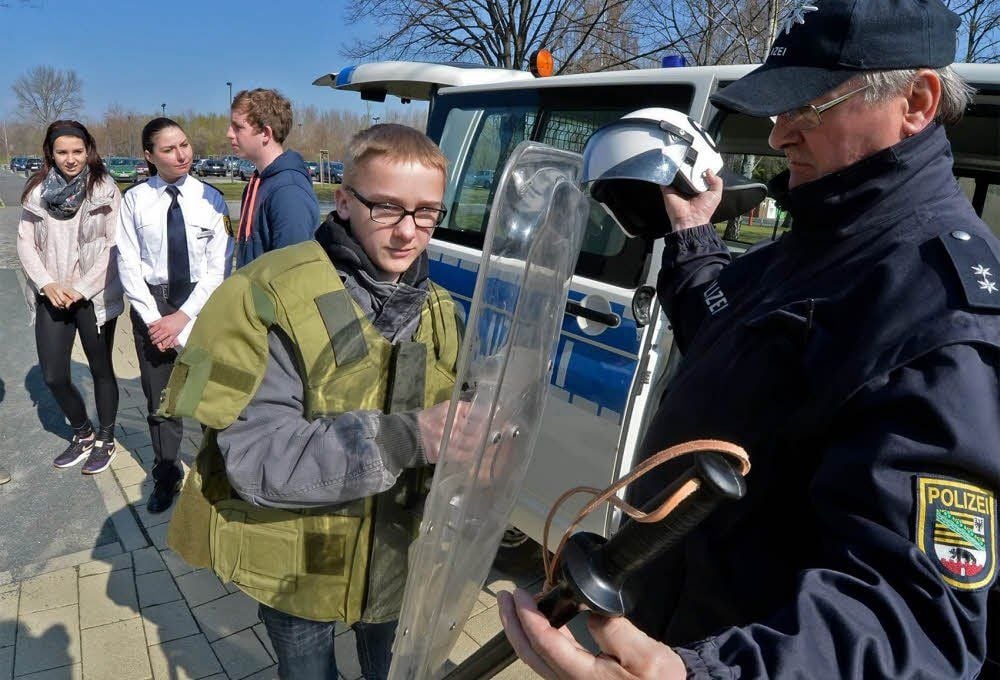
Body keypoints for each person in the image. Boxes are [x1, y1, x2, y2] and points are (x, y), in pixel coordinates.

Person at [499, 1, 1000, 678]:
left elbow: (916, 616)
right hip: (675, 615)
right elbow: (739, 338)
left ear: (916, 101)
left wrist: (706, 674)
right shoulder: (825, 239)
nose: (779, 136)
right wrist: (692, 234)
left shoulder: (938, 309)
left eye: (808, 106)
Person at [161, 124, 463, 679]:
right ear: (344, 201)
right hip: (298, 560)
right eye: (386, 208)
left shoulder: (441, 309)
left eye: (426, 213)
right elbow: (257, 461)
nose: (407, 233)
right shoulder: (265, 296)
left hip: (393, 556)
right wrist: (408, 437)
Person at [117, 117, 231, 514]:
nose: (182, 154)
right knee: (160, 402)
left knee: (209, 396)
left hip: (200, 308)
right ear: (149, 156)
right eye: (169, 149)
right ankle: (167, 475)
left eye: (184, 144)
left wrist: (182, 318)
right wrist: (155, 320)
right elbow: (128, 263)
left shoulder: (211, 199)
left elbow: (219, 268)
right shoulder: (134, 200)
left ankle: (218, 472)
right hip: (153, 308)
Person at [17, 120, 124, 475]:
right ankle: (83, 433)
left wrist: (81, 288)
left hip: (92, 297)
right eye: (62, 152)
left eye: (77, 151)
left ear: (88, 150)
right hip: (53, 295)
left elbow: (114, 246)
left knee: (101, 369)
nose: (71, 159)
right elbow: (25, 243)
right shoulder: (36, 191)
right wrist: (47, 284)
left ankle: (106, 439)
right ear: (50, 152)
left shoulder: (104, 189)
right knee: (53, 375)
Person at [227, 88, 319, 268]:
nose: (229, 134)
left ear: (266, 134)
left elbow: (292, 273)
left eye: (238, 127)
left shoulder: (289, 192)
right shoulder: (256, 183)